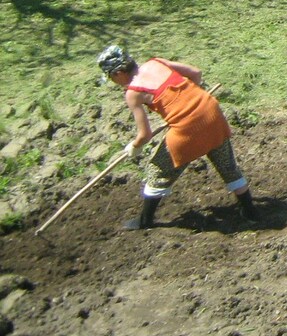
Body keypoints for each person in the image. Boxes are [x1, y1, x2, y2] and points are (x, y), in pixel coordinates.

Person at [97, 44, 257, 230]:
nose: (113, 81)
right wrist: (191, 101)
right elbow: (196, 73)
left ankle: (145, 221)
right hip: (211, 112)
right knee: (227, 166)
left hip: (188, 129)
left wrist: (134, 146)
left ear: (118, 73)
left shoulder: (133, 93)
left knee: (157, 169)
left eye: (110, 77)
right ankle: (250, 212)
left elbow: (145, 134)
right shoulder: (156, 62)